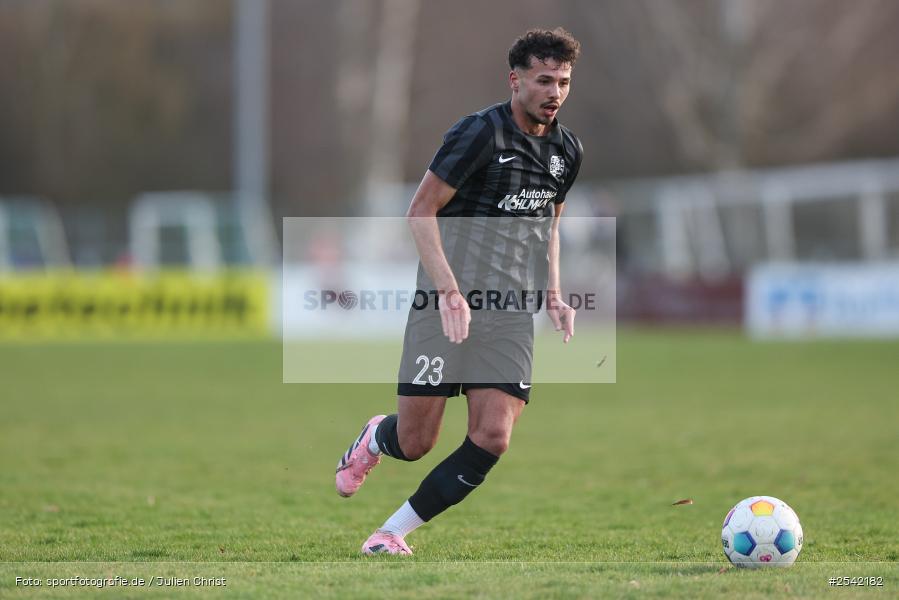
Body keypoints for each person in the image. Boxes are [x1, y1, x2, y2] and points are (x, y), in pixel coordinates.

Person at [335, 27, 583, 555]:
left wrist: (555, 293)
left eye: (563, 81)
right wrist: (449, 292)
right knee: (415, 442)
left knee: (493, 436)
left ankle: (390, 534)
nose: (554, 92)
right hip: (444, 306)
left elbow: (550, 227)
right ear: (515, 81)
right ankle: (377, 437)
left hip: (510, 312)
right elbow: (420, 211)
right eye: (544, 80)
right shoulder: (477, 134)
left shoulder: (567, 152)